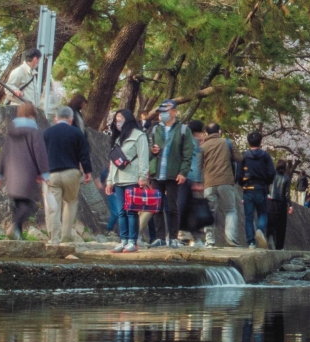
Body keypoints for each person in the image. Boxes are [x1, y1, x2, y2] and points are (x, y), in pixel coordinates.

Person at [0, 104, 49, 240]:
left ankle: (18, 235)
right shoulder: (35, 132)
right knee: (28, 204)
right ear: (31, 115)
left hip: (11, 174)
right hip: (27, 173)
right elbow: (40, 153)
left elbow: (4, 153)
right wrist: (45, 173)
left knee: (18, 204)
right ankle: (15, 228)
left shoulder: (11, 132)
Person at [39, 105, 93, 244]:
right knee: (71, 202)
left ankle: (54, 239)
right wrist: (88, 171)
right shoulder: (76, 133)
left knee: (52, 206)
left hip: (52, 175)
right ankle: (65, 237)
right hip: (71, 173)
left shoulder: (47, 133)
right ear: (71, 118)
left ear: (56, 118)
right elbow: (84, 155)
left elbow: (41, 155)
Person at [148, 102, 195, 247]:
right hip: (157, 173)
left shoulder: (183, 130)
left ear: (174, 112)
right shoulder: (155, 129)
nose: (162, 114)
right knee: (156, 206)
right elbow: (148, 147)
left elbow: (188, 154)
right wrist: (152, 150)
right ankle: (160, 237)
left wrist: (183, 172)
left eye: (165, 111)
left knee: (172, 206)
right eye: (161, 112)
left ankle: (173, 237)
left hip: (173, 173)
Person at [103, 109, 150, 251]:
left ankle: (132, 241)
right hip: (119, 180)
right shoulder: (118, 139)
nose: (117, 122)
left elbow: (143, 157)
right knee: (121, 211)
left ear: (128, 120)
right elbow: (113, 162)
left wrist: (143, 177)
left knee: (131, 211)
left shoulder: (139, 136)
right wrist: (110, 181)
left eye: (120, 119)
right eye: (116, 119)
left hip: (132, 179)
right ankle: (123, 240)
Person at [196, 121, 240, 247]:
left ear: (206, 133)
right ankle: (231, 238)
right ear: (219, 131)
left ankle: (209, 242)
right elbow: (239, 158)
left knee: (210, 212)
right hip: (226, 182)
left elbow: (198, 165)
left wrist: (199, 182)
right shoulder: (228, 143)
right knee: (231, 209)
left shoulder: (203, 146)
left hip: (209, 183)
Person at [236, 131, 275, 248]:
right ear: (261, 142)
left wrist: (243, 183)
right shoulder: (266, 156)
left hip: (248, 189)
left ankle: (251, 243)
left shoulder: (244, 156)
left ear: (248, 142)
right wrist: (266, 183)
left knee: (249, 217)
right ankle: (259, 229)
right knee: (263, 213)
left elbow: (239, 174)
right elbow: (271, 173)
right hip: (261, 188)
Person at [265, 155, 294, 251]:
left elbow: (267, 189)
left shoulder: (271, 175)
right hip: (281, 205)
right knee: (281, 228)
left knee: (270, 224)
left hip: (270, 203)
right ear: (285, 168)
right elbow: (286, 194)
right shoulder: (286, 178)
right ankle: (279, 246)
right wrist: (290, 206)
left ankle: (268, 240)